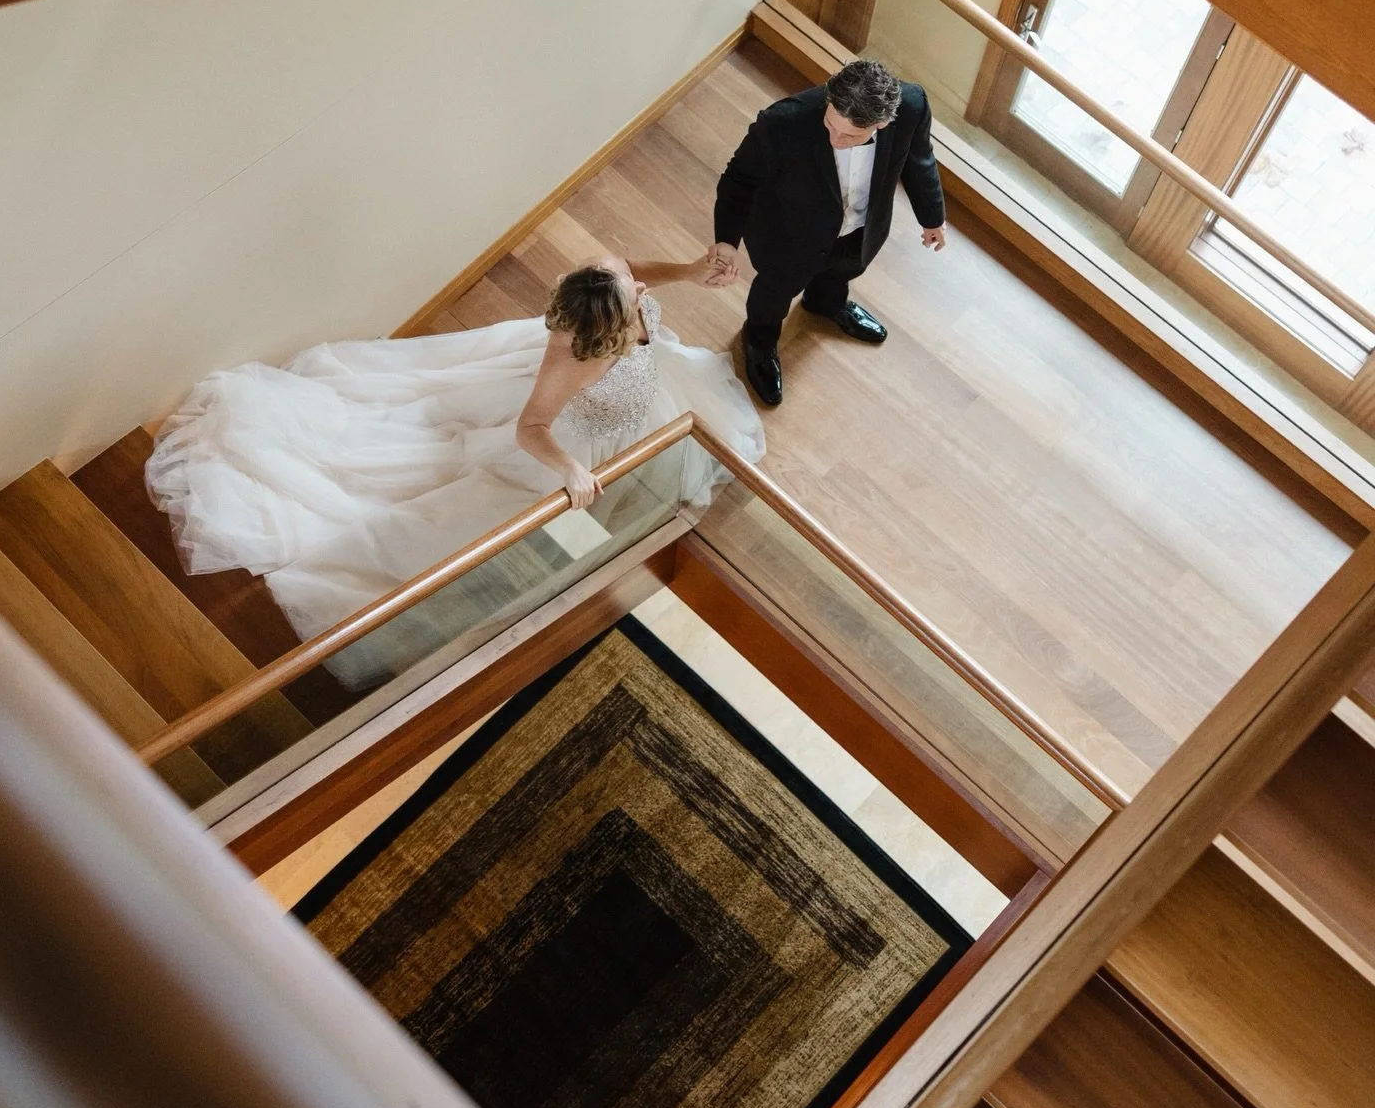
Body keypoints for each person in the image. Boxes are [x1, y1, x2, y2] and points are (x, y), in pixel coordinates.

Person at [145, 253, 762, 686]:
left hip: (644, 401)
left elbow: (630, 265)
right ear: (599, 337)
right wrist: (572, 468)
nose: (640, 308)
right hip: (582, 433)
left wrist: (684, 271)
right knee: (471, 514)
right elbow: (531, 429)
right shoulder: (570, 361)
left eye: (635, 301)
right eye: (630, 312)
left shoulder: (611, 281)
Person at [708, 59, 947, 406]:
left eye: (849, 135)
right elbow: (738, 181)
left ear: (882, 122)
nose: (835, 140)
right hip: (787, 235)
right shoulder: (781, 123)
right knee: (774, 293)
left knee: (844, 270)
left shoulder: (912, 106)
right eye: (830, 125)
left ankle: (825, 304)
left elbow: (919, 159)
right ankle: (758, 343)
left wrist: (932, 217)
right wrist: (726, 241)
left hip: (860, 229)